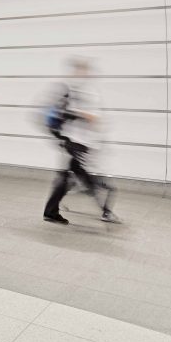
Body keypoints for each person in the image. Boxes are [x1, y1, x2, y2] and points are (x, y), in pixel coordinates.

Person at [43, 59, 119, 225]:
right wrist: (84, 116)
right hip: (74, 143)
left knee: (71, 179)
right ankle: (105, 211)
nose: (84, 73)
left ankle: (54, 209)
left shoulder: (79, 89)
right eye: (82, 70)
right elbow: (80, 115)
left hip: (77, 143)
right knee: (88, 182)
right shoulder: (74, 90)